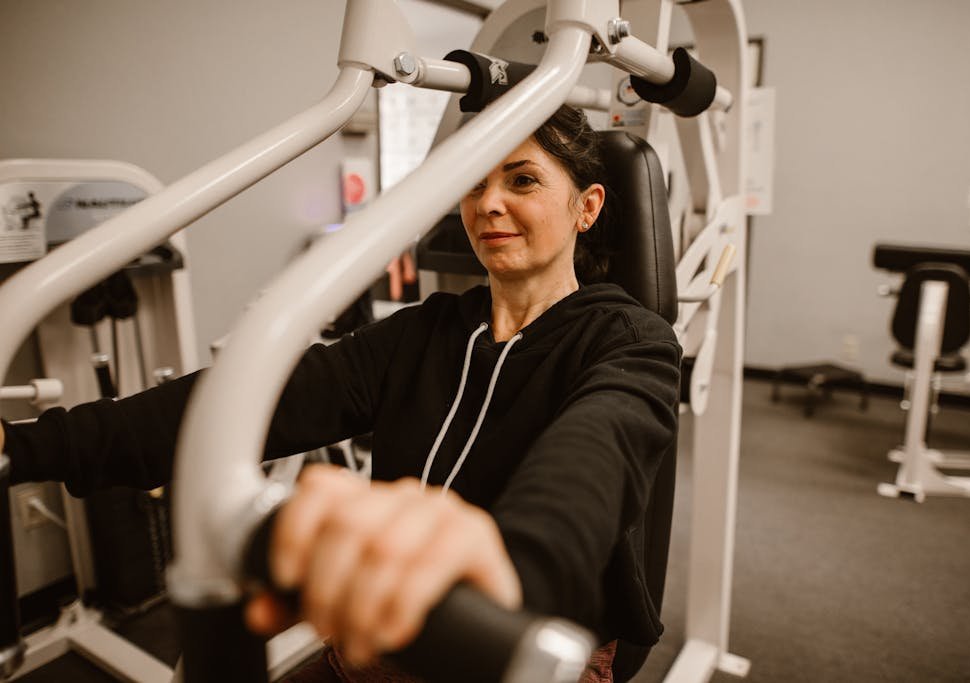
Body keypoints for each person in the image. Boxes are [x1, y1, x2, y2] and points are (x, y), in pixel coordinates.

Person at [1, 105, 681, 682]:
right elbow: (232, 409)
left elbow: (595, 455)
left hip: (526, 640)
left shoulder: (630, 340)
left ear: (586, 207)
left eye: (522, 179)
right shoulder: (426, 333)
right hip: (387, 625)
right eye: (475, 185)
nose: (488, 204)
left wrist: (510, 570)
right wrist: (24, 446)